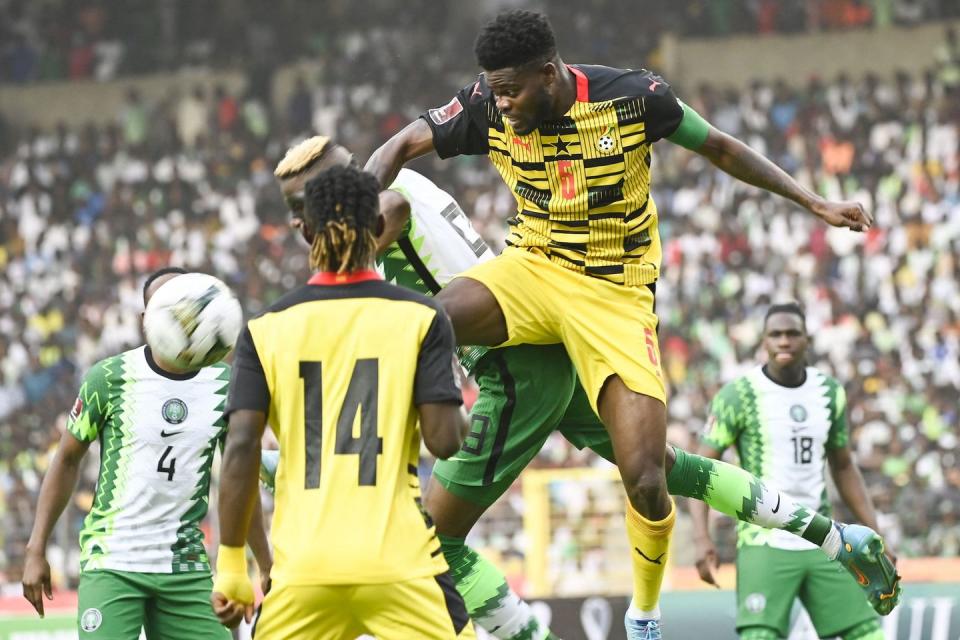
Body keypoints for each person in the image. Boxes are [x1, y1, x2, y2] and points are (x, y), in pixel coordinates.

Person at [364, 9, 899, 638]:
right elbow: (400, 145)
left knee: (645, 474)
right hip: (532, 268)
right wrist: (350, 225)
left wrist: (814, 202)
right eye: (494, 88)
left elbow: (722, 147)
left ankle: (644, 615)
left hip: (613, 295)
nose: (501, 103)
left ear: (550, 72)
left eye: (511, 89)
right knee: (421, 325)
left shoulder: (633, 98)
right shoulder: (485, 104)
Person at [266, 137, 898, 640]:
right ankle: (837, 538)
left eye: (302, 209)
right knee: (661, 469)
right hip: (541, 342)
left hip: (514, 366)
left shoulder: (384, 207)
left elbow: (367, 302)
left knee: (430, 540)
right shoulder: (399, 179)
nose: (298, 225)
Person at [211, 165, 476, 639]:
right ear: (378, 227)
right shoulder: (421, 316)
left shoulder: (264, 330)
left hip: (303, 571)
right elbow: (445, 441)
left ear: (305, 230)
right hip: (401, 564)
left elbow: (241, 449)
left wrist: (232, 563)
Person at [21, 267, 271, 640]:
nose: (180, 317)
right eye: (165, 307)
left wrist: (266, 565)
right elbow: (67, 460)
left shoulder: (225, 385)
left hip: (185, 567)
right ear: (145, 320)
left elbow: (240, 477)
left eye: (186, 306)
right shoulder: (109, 378)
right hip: (113, 562)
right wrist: (35, 548)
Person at [692, 303, 893, 640]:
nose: (784, 341)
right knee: (760, 636)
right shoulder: (738, 395)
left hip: (824, 538)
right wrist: (701, 536)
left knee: (868, 633)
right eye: (776, 335)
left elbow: (843, 466)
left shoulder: (829, 393)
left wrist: (875, 533)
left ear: (807, 340)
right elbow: (701, 470)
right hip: (764, 539)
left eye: (792, 334)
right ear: (764, 342)